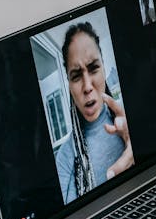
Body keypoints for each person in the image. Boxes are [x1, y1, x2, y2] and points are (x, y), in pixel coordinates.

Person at [55, 22, 134, 204]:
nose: (87, 86)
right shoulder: (65, 157)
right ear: (68, 83)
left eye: (93, 68)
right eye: (76, 75)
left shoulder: (130, 115)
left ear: (104, 67)